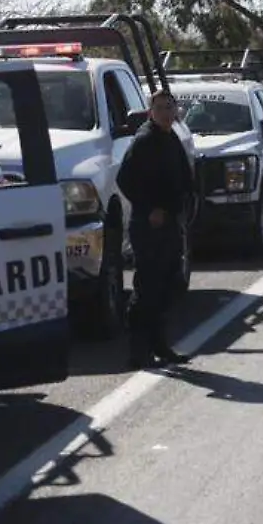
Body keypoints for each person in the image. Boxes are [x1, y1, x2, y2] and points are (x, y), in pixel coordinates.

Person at [115, 90, 195, 368]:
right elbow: (124, 178)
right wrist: (151, 209)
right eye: (159, 108)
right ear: (151, 112)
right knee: (147, 288)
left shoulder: (170, 137)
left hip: (171, 225)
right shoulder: (145, 140)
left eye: (169, 108)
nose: (165, 113)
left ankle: (160, 345)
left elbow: (185, 178)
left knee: (169, 285)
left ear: (176, 112)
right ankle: (138, 352)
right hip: (148, 227)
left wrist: (186, 207)